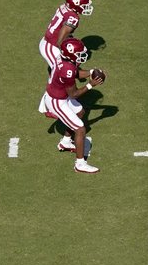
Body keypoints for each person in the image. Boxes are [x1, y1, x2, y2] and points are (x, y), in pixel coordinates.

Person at [38, 37, 105, 174]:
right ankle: (80, 164)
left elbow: (76, 72)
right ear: (71, 54)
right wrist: (90, 85)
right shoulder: (67, 69)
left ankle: (65, 142)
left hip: (60, 95)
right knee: (80, 129)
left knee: (80, 112)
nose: (81, 56)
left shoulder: (64, 59)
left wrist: (90, 72)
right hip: (57, 101)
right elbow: (74, 94)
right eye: (79, 54)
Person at [39, 0, 93, 71]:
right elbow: (61, 38)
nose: (86, 8)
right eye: (84, 6)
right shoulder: (73, 18)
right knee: (64, 71)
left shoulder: (65, 7)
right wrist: (66, 52)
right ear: (76, 5)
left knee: (70, 66)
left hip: (50, 42)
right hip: (51, 46)